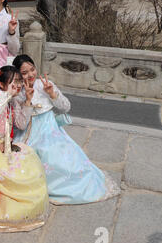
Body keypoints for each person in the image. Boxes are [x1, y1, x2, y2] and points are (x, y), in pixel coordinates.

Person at [12, 55, 121, 204]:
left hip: (51, 130)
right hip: (30, 134)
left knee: (63, 157)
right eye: (24, 73)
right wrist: (28, 101)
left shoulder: (45, 84)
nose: (30, 75)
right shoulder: (17, 93)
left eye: (32, 69)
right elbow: (21, 125)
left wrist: (52, 94)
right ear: (18, 74)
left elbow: (65, 107)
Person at [0, 66, 49, 232]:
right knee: (9, 171)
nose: (18, 85)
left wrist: (27, 101)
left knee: (29, 159)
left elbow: (20, 124)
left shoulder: (12, 101)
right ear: (1, 84)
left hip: (2, 142)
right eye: (14, 81)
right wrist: (6, 97)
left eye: (19, 81)